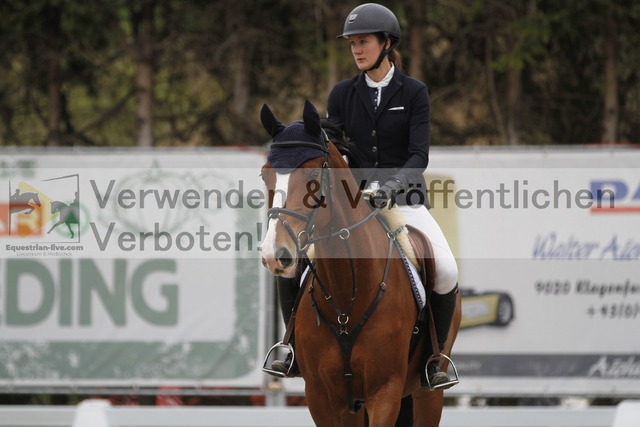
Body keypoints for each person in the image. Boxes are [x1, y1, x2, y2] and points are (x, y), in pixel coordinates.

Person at [271, 3, 459, 390]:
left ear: (387, 44)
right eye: (352, 44)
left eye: (364, 42)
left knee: (446, 270)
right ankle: (291, 349)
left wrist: (389, 187)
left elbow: (418, 156)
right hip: (353, 204)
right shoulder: (342, 93)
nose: (357, 50)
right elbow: (332, 146)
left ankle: (435, 360)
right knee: (293, 265)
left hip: (404, 201)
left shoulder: (414, 92)